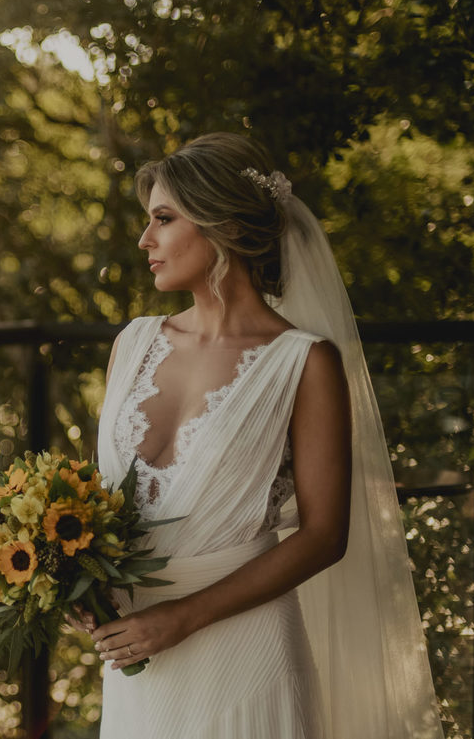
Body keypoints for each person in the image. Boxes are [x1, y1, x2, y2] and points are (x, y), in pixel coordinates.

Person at [84, 133, 444, 738]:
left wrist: (184, 617)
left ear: (220, 223)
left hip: (244, 648)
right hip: (137, 657)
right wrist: (78, 584)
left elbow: (326, 535)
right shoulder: (133, 344)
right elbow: (103, 505)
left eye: (163, 220)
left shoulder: (304, 362)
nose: (145, 240)